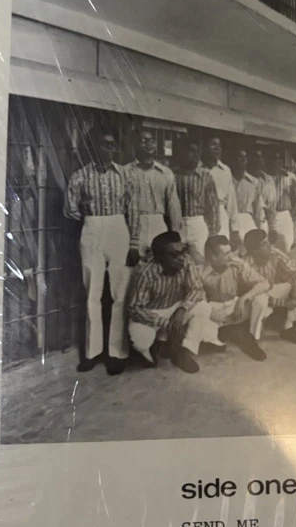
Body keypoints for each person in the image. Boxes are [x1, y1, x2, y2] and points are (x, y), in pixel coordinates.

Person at [64, 128, 139, 375]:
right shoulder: (80, 176)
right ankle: (92, 352)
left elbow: (133, 209)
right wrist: (91, 221)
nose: (107, 149)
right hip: (92, 227)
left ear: (115, 149)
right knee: (92, 293)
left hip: (119, 228)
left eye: (111, 145)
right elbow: (70, 209)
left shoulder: (124, 176)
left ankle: (117, 353)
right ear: (92, 146)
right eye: (102, 144)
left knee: (120, 293)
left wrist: (134, 242)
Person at [127, 232, 212, 374]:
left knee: (203, 307)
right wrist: (164, 323)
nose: (180, 257)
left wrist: (182, 309)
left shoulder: (186, 260)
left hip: (176, 306)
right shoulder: (146, 273)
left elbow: (197, 289)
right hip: (153, 312)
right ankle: (153, 347)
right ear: (160, 257)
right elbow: (135, 309)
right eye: (174, 254)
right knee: (139, 341)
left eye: (182, 251)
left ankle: (184, 352)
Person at [200, 236, 270, 360]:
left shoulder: (237, 264)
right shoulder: (200, 271)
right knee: (209, 339)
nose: (231, 256)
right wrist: (216, 316)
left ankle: (251, 337)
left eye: (230, 251)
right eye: (226, 254)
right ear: (213, 258)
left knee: (261, 299)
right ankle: (224, 332)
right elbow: (198, 300)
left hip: (234, 307)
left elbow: (264, 283)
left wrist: (244, 298)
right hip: (212, 310)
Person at [122, 129, 182, 258]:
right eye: (143, 141)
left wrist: (175, 234)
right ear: (135, 144)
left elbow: (173, 205)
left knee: (159, 265)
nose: (149, 144)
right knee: (132, 268)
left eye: (152, 141)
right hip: (133, 225)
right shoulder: (125, 172)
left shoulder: (166, 173)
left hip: (158, 223)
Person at [242, 229, 296, 345]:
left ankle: (288, 328)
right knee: (260, 300)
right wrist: (282, 303)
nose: (269, 245)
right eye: (264, 243)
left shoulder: (275, 253)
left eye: (267, 241)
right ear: (254, 251)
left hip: (270, 291)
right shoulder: (245, 263)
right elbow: (249, 293)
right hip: (254, 298)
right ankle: (252, 338)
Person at [173, 137, 219, 263]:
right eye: (191, 151)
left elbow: (213, 207)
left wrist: (213, 232)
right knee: (178, 261)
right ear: (182, 153)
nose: (195, 156)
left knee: (200, 261)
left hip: (198, 222)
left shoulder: (205, 176)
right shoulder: (171, 175)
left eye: (197, 152)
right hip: (177, 224)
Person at [202, 135, 240, 249]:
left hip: (221, 213)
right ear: (205, 147)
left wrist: (234, 229)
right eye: (213, 144)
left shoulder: (225, 170)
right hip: (202, 214)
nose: (217, 148)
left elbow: (231, 201)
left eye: (219, 145)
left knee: (221, 251)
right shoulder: (198, 169)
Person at [269, 147, 296, 251]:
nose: (276, 162)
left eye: (279, 159)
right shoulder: (266, 178)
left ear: (282, 161)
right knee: (272, 248)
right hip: (270, 217)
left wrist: (291, 214)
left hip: (285, 214)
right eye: (274, 159)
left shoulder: (290, 177)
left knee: (287, 244)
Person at [232, 148, 265, 239]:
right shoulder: (228, 180)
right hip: (231, 221)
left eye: (245, 157)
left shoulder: (253, 182)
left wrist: (259, 227)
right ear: (234, 160)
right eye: (240, 157)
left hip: (248, 220)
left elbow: (258, 207)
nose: (243, 160)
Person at [251, 146, 278, 238]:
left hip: (263, 222)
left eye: (261, 157)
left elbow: (272, 206)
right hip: (248, 223)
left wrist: (273, 228)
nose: (259, 160)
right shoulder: (245, 179)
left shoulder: (268, 180)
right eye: (256, 157)